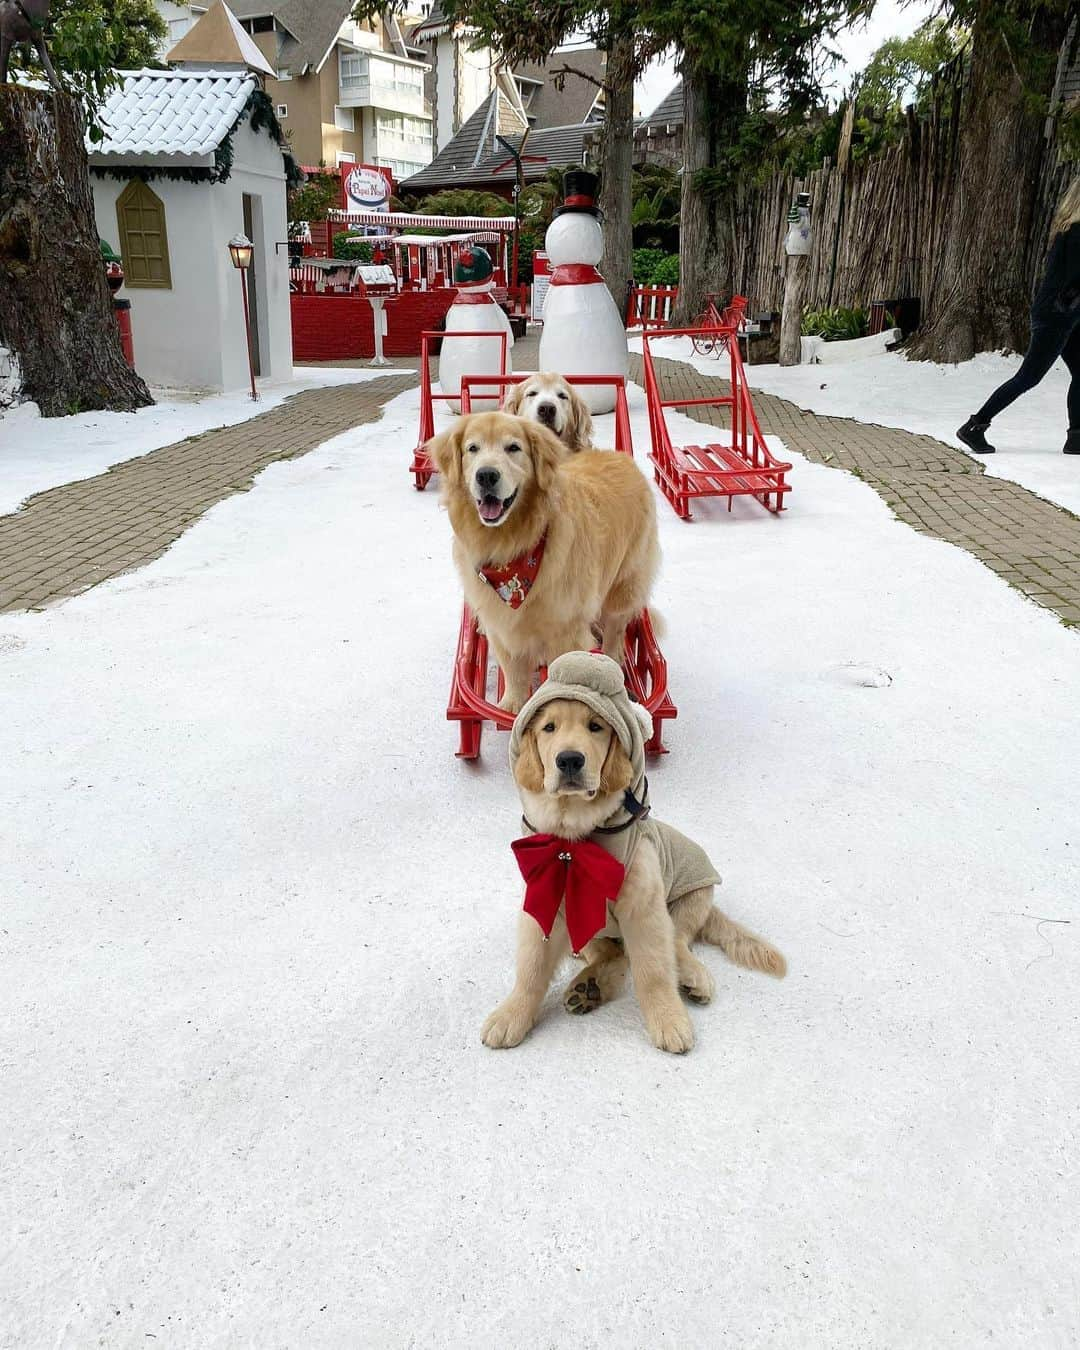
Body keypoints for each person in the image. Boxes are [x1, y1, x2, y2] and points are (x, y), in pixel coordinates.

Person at [958, 177, 1080, 455]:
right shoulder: (1076, 233)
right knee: (1028, 378)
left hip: (1066, 313)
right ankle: (975, 426)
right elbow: (1073, 281)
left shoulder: (1067, 230)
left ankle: (1076, 438)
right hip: (1058, 315)